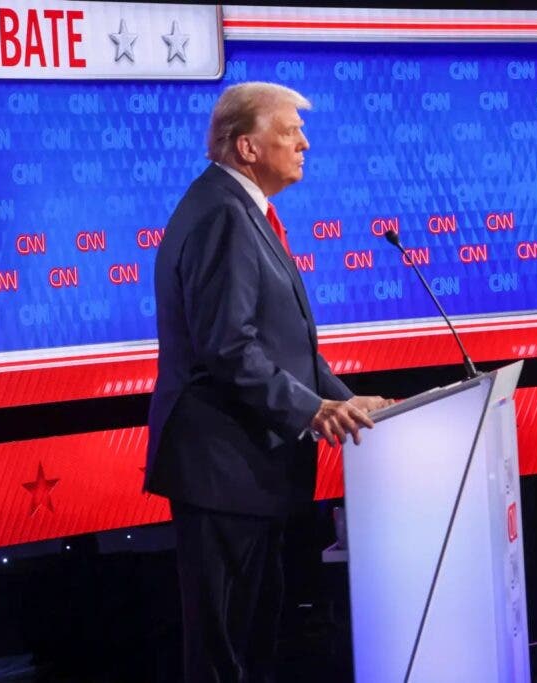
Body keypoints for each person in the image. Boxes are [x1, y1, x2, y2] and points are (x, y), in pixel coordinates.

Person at [145, 81, 390, 683]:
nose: (304, 143)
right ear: (247, 147)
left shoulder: (238, 210)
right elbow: (229, 347)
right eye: (290, 131)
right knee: (223, 653)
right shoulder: (222, 215)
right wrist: (312, 411)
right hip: (222, 469)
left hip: (247, 469)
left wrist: (339, 398)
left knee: (253, 643)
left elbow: (284, 343)